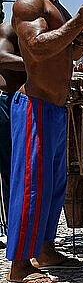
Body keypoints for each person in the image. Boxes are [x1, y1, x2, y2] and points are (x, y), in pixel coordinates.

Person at [7, 0, 83, 283]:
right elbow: (36, 48)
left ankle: (46, 249)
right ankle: (20, 265)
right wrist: (77, 21)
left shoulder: (57, 7)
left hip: (55, 109)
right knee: (32, 185)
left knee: (52, 186)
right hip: (35, 105)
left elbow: (65, 50)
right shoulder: (28, 4)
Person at [0, 22, 24, 249]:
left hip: (18, 102)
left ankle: (14, 225)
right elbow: (2, 57)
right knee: (7, 168)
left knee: (15, 168)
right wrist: (38, 64)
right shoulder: (8, 30)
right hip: (4, 100)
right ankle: (5, 226)